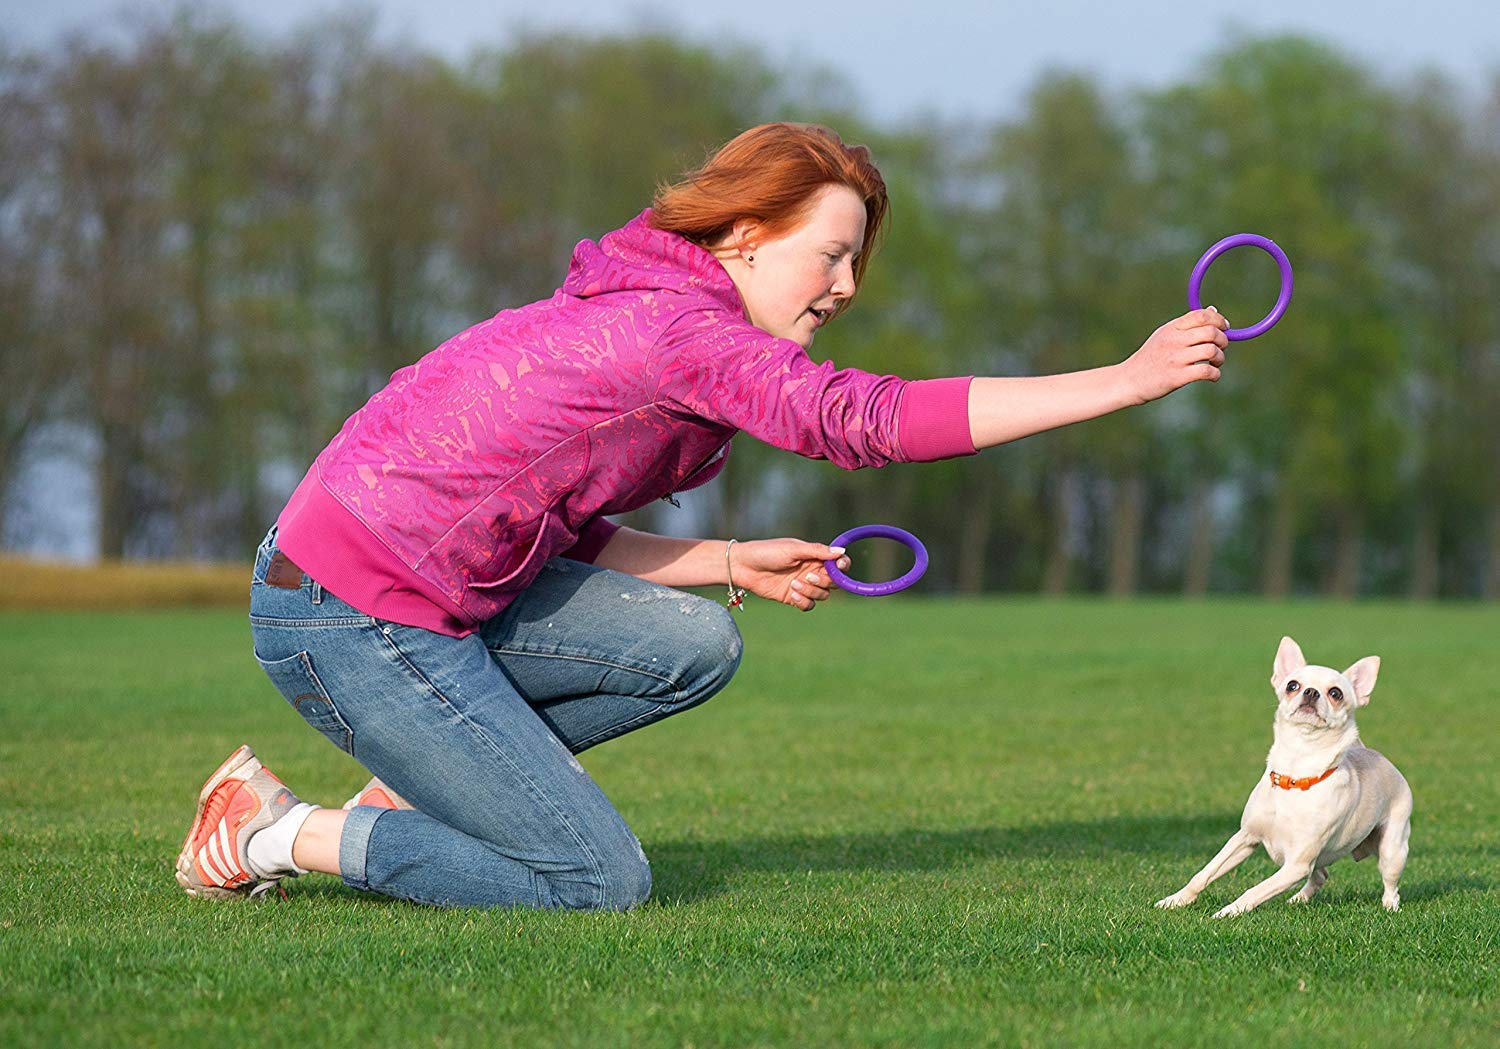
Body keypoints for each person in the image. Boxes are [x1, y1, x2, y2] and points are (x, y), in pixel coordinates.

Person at [174, 123, 1229, 909]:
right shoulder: (682, 334)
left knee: (694, 642)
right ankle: (274, 828)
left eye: (857, 262)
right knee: (596, 881)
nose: (846, 285)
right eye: (830, 253)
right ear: (745, 234)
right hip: (348, 616)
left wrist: (727, 557)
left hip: (407, 591)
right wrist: (1122, 381)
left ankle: (430, 780)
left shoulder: (655, 305)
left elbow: (549, 527)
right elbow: (860, 420)